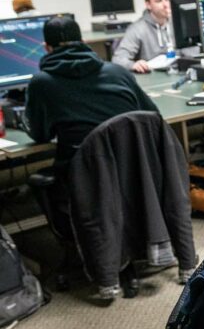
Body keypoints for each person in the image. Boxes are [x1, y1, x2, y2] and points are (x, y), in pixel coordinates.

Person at [25, 16, 157, 245]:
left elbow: (40, 135)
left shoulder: (41, 83)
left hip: (81, 177)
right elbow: (152, 117)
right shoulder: (118, 73)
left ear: (46, 48)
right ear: (84, 42)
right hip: (131, 169)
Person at [111, 0, 174, 73]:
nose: (166, 5)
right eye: (159, 1)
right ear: (148, 5)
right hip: (152, 76)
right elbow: (118, 59)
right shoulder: (137, 29)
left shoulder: (176, 23)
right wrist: (133, 65)